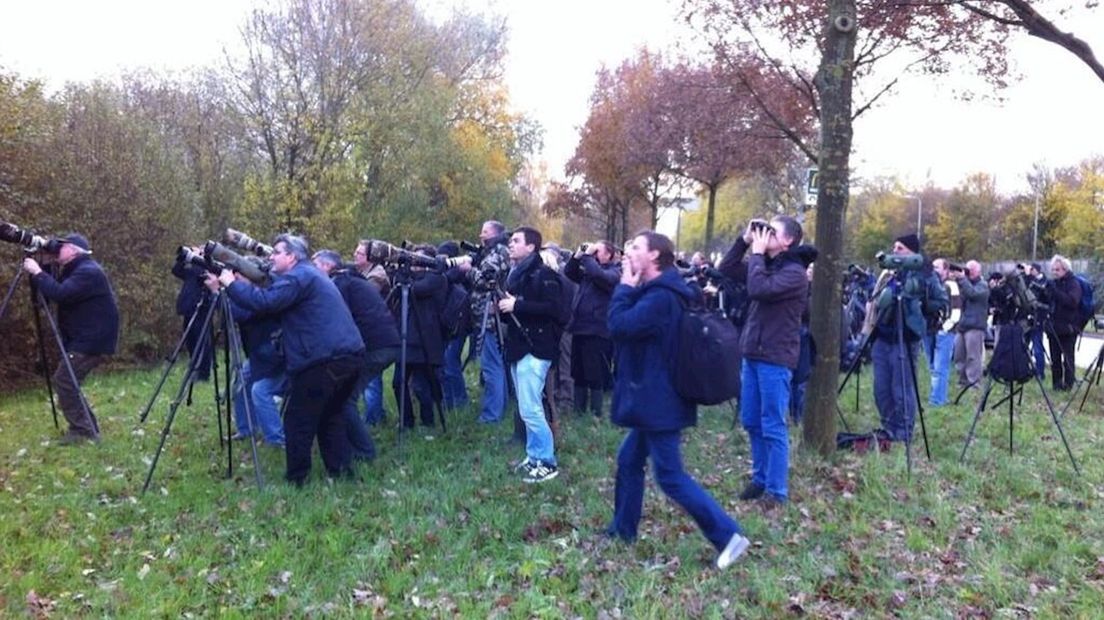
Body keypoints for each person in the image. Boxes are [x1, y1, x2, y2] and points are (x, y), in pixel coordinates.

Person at [605, 231, 750, 570]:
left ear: (655, 257)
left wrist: (624, 287)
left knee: (670, 476)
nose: (628, 252)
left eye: (635, 247)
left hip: (660, 401)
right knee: (628, 461)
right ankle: (622, 530)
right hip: (653, 398)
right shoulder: (661, 291)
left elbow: (618, 325)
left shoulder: (661, 299)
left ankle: (728, 535)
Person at [212, 234, 365, 486]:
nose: (271, 257)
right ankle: (341, 473)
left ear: (292, 256)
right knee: (330, 416)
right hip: (349, 355)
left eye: (277, 253)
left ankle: (297, 481)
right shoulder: (310, 275)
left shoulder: (299, 277)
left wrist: (230, 283)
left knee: (297, 420)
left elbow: (265, 302)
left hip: (324, 359)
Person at [722, 217, 811, 506]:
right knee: (751, 420)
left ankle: (777, 491)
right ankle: (760, 479)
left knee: (772, 424)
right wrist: (745, 241)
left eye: (772, 231)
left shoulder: (795, 273)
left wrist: (758, 254)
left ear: (788, 241)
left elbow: (759, 289)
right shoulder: (765, 266)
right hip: (753, 354)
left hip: (776, 357)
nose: (766, 234)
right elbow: (726, 269)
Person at [22, 233, 119, 445]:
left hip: (91, 340)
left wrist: (37, 272)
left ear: (74, 250)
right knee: (68, 381)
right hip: (87, 338)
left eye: (62, 246)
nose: (57, 248)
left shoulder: (88, 272)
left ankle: (84, 431)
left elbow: (61, 294)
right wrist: (45, 266)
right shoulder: (77, 270)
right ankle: (87, 427)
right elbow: (47, 296)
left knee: (64, 380)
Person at [313, 249, 402, 462]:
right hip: (385, 344)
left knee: (344, 399)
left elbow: (333, 318)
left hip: (376, 347)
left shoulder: (340, 284)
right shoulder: (350, 279)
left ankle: (364, 452)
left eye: (314, 266)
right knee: (343, 397)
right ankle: (352, 445)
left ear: (326, 266)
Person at [499, 226, 563, 483]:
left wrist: (518, 305)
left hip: (536, 348)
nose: (510, 245)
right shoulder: (516, 274)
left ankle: (547, 461)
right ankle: (534, 456)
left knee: (532, 408)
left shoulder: (544, 275)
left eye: (516, 241)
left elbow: (555, 310)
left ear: (531, 247)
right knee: (526, 408)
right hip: (519, 347)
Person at [868, 233, 946, 443]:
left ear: (912, 252)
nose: (895, 251)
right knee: (881, 388)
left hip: (906, 337)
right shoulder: (891, 273)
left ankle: (903, 433)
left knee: (901, 388)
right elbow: (876, 299)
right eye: (895, 247)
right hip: (883, 335)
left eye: (900, 248)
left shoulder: (925, 274)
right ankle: (888, 426)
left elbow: (940, 301)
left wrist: (919, 303)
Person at [564, 240, 620, 417]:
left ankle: (596, 413)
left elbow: (599, 276)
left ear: (609, 255)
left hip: (597, 330)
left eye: (598, 252)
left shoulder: (614, 272)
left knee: (595, 373)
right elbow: (569, 272)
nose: (594, 255)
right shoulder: (589, 272)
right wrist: (578, 256)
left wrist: (588, 256)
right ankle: (578, 411)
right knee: (578, 371)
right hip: (579, 327)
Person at [464, 220, 511, 424]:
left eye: (485, 232)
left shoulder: (498, 252)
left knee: (491, 366)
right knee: (494, 365)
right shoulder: (492, 252)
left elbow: (485, 280)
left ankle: (492, 415)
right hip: (484, 315)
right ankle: (500, 407)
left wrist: (468, 269)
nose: (481, 235)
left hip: (490, 318)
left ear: (496, 234)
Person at [354, 239, 391, 425]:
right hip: (367, 330)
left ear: (371, 257)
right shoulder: (361, 272)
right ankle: (376, 413)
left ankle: (373, 418)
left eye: (360, 253)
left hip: (377, 332)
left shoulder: (377, 274)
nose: (355, 255)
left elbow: (365, 296)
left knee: (371, 377)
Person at [171, 247, 213, 381]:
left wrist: (198, 258)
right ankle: (194, 367)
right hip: (188, 308)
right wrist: (184, 257)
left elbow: (203, 274)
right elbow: (176, 271)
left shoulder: (208, 267)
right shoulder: (191, 270)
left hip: (201, 309)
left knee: (202, 340)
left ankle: (203, 373)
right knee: (190, 340)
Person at [928, 258, 962, 407]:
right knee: (933, 366)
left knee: (940, 366)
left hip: (944, 332)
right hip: (931, 330)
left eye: (937, 267)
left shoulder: (951, 285)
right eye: (933, 267)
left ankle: (937, 399)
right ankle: (938, 395)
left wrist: (945, 329)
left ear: (946, 270)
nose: (934, 269)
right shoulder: (933, 285)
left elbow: (956, 312)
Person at [953, 260, 989, 389]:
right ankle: (962, 381)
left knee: (973, 356)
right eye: (968, 269)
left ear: (979, 271)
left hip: (975, 325)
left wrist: (963, 279)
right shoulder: (964, 284)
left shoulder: (983, 285)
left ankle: (974, 382)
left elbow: (972, 294)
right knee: (959, 355)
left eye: (972, 269)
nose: (970, 272)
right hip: (962, 324)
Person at [1047, 254, 1082, 391]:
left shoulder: (1074, 283)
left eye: (1058, 269)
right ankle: (1056, 384)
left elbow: (1072, 302)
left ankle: (1068, 385)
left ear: (1065, 269)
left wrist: (1055, 292)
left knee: (1068, 359)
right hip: (1053, 326)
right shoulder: (1054, 283)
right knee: (1055, 359)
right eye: (1053, 269)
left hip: (1068, 328)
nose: (1055, 272)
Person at [1025, 262, 1054, 379]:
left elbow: (1044, 297)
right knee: (1024, 345)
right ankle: (1024, 368)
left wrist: (1029, 277)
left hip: (1039, 318)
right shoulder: (1030, 280)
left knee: (1037, 346)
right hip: (1028, 317)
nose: (1029, 271)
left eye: (1031, 269)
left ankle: (1040, 372)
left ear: (1036, 270)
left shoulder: (1045, 282)